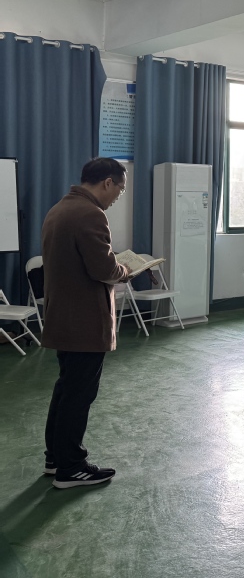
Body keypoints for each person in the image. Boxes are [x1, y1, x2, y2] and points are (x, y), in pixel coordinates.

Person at [40, 158, 132, 489]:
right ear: (107, 182)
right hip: (84, 321)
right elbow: (104, 269)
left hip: (63, 317)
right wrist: (126, 270)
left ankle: (55, 458)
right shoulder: (90, 213)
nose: (117, 196)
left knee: (66, 389)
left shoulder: (59, 209)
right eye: (119, 190)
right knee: (78, 395)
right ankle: (72, 468)